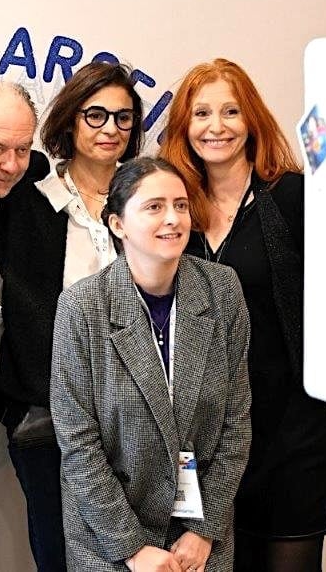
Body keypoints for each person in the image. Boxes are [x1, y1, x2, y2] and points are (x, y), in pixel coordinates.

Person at [160, 58, 326, 572]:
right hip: (206, 436)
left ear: (252, 120)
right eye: (201, 113)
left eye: (230, 111)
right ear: (184, 126)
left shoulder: (293, 196)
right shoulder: (173, 208)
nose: (215, 126)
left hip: (293, 424)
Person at [51, 157, 251, 572]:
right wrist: (133, 548)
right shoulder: (82, 307)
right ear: (118, 225)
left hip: (200, 535)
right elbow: (78, 444)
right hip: (109, 537)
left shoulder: (222, 290)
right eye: (154, 207)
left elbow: (236, 423)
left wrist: (204, 530)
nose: (173, 219)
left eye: (180, 205)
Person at [0, 62, 145, 571]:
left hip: (134, 418)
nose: (110, 129)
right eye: (95, 115)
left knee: (132, 555)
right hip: (47, 419)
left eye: (123, 117)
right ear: (70, 121)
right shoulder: (28, 192)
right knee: (58, 554)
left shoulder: (148, 199)